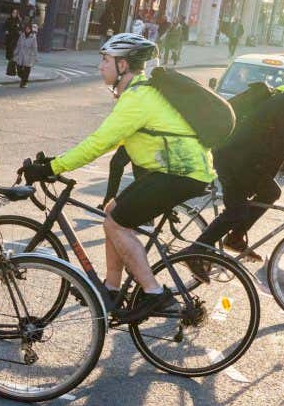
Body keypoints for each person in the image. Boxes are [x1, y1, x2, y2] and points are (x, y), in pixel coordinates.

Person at [22, 33, 214, 323]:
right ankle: (111, 288)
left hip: (182, 173)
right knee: (112, 212)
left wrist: (52, 169)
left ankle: (153, 292)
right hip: (173, 171)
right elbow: (111, 142)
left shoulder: (139, 98)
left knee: (116, 222)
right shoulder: (137, 94)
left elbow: (99, 142)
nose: (100, 66)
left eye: (105, 60)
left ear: (123, 65)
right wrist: (56, 162)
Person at [190, 64, 284, 267]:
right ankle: (195, 253)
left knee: (270, 192)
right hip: (233, 159)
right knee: (236, 211)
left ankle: (235, 237)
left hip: (247, 163)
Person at [13, 22, 39, 87]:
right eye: (26, 28)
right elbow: (18, 44)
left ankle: (23, 83)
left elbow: (35, 48)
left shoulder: (33, 37)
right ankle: (24, 79)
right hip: (21, 55)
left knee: (27, 70)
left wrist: (36, 57)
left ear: (30, 29)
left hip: (29, 56)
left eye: (28, 29)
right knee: (18, 69)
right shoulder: (22, 35)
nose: (27, 30)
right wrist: (15, 52)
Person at [3, 7, 22, 74]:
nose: (14, 14)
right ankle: (10, 64)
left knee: (13, 52)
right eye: (13, 13)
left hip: (15, 38)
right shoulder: (8, 19)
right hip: (9, 38)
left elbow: (20, 28)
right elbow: (5, 26)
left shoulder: (19, 20)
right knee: (8, 51)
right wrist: (6, 31)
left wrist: (19, 31)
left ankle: (11, 67)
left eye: (16, 13)